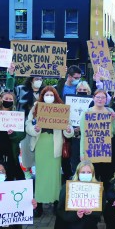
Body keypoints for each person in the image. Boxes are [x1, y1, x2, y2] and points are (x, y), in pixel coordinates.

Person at [25, 87, 74, 215]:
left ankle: (56, 202)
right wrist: (34, 129)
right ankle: (39, 203)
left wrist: (69, 131)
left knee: (55, 176)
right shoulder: (36, 107)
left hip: (55, 144)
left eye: (51, 94)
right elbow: (28, 123)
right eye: (46, 94)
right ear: (42, 96)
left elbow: (68, 127)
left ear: (55, 96)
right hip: (41, 143)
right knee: (40, 175)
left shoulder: (61, 108)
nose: (49, 96)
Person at [53, 161, 102, 229]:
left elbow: (101, 209)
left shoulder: (98, 188)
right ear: (78, 173)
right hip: (72, 222)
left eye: (89, 172)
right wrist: (75, 214)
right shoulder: (67, 188)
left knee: (89, 220)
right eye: (83, 172)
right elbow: (60, 210)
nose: (86, 174)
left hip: (88, 224)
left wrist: (92, 212)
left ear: (93, 174)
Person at [79, 89, 115, 183]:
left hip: (107, 149)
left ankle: (105, 196)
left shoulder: (110, 111)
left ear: (106, 99)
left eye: (103, 97)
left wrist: (114, 119)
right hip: (91, 149)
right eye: (98, 97)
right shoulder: (87, 113)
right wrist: (82, 154)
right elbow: (83, 135)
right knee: (93, 176)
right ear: (93, 98)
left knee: (107, 176)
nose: (100, 99)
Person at [13, 73, 45, 178]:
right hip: (25, 126)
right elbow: (9, 91)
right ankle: (27, 174)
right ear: (31, 80)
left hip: (41, 128)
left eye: (41, 78)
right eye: (36, 78)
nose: (39, 80)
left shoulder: (46, 92)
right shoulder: (20, 89)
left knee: (40, 152)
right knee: (25, 151)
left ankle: (39, 174)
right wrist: (11, 74)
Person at [67, 81, 93, 174]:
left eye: (84, 90)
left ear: (89, 91)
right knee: (75, 164)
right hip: (75, 139)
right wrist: (72, 128)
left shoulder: (93, 103)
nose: (82, 91)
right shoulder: (71, 102)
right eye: (80, 89)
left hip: (89, 140)